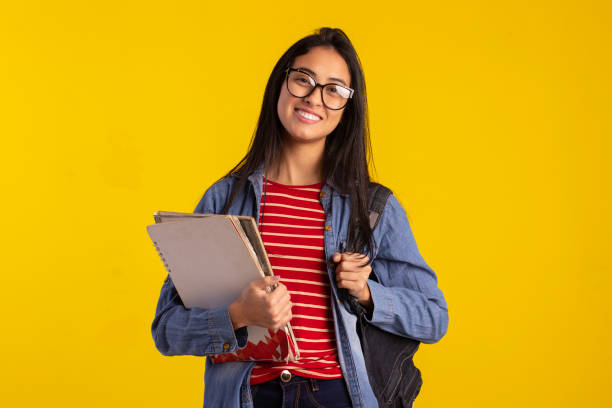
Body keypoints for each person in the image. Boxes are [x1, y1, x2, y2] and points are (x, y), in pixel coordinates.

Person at [151, 27, 449, 408]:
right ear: (281, 83)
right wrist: (239, 315)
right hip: (249, 397)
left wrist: (367, 292)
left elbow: (433, 318)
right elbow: (167, 330)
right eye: (303, 79)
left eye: (334, 90)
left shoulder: (373, 207)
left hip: (338, 396)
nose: (314, 98)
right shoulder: (224, 198)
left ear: (347, 109)